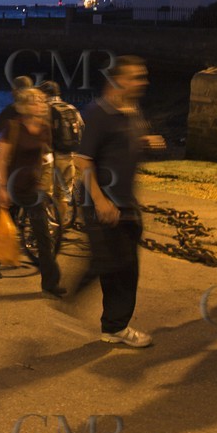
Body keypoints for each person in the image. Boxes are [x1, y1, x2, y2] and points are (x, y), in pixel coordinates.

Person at [75, 56, 164, 348]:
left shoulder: (131, 111)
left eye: (144, 76)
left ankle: (112, 325)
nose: (144, 82)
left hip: (126, 202)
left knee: (122, 267)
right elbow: (83, 161)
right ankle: (109, 323)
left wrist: (143, 143)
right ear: (118, 80)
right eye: (137, 77)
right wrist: (100, 201)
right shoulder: (98, 113)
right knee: (116, 266)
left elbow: (121, 147)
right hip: (102, 203)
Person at [0, 87, 62, 296]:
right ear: (25, 106)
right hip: (12, 186)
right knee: (3, 227)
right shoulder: (13, 128)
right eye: (35, 101)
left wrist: (45, 182)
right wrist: (2, 188)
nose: (41, 104)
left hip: (33, 189)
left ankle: (50, 282)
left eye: (42, 101)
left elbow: (46, 158)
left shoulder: (45, 128)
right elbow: (1, 159)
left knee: (43, 236)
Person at [39, 80, 83, 209]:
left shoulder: (44, 109)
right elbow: (82, 127)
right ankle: (60, 226)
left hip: (50, 156)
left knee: (46, 193)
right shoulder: (71, 108)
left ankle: (45, 224)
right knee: (64, 194)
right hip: (69, 155)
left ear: (45, 94)